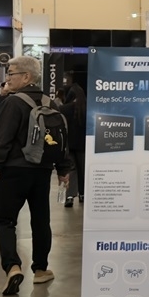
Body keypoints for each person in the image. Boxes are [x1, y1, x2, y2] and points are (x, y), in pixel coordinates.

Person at [0, 56, 73, 295]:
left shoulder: (13, 103)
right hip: (42, 171)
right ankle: (41, 270)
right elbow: (61, 139)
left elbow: (2, 139)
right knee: (40, 220)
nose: (8, 78)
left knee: (6, 221)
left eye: (11, 73)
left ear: (26, 77)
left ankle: (13, 267)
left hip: (13, 171)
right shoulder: (50, 102)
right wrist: (63, 169)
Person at [59, 72, 86, 208]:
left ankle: (70, 196)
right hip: (83, 145)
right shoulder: (87, 108)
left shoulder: (63, 109)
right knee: (83, 169)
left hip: (68, 145)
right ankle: (83, 194)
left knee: (71, 169)